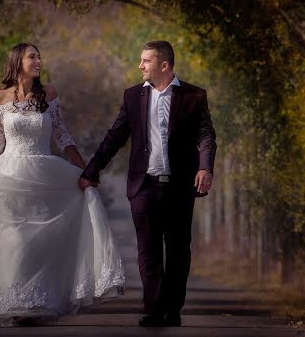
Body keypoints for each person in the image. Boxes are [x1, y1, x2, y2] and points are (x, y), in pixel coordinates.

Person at [0, 43, 125, 328]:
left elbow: (63, 137)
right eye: (32, 57)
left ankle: (34, 304)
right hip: (9, 176)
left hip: (44, 176)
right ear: (18, 61)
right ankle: (14, 302)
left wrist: (86, 170)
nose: (38, 61)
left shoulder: (49, 94)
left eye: (39, 57)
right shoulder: (0, 98)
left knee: (36, 241)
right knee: (13, 239)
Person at [79, 40, 217, 328]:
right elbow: (114, 136)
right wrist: (91, 171)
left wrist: (205, 167)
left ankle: (172, 308)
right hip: (144, 186)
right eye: (141, 60)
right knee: (148, 250)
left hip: (179, 186)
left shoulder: (193, 96)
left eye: (146, 61)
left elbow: (206, 134)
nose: (140, 66)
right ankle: (154, 309)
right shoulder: (132, 97)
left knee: (179, 249)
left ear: (164, 65)